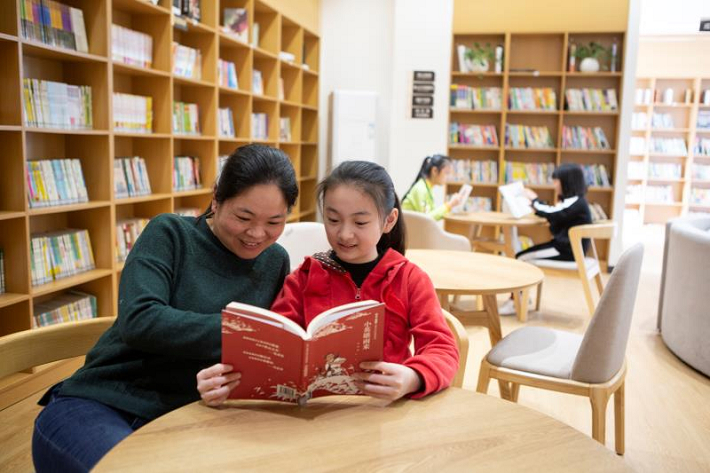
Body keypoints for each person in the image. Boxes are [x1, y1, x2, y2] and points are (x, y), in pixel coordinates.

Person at [32, 144, 299, 472]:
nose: (257, 234)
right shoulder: (171, 234)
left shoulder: (275, 261)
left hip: (194, 415)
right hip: (103, 402)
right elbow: (140, 320)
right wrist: (251, 332)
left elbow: (262, 358)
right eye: (244, 217)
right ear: (217, 199)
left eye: (274, 221)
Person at [198, 160, 459, 405]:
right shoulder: (304, 276)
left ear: (388, 220)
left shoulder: (409, 278)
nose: (344, 233)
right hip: (316, 412)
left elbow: (443, 348)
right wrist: (230, 380)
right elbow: (276, 346)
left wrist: (412, 377)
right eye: (333, 220)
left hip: (384, 411)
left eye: (360, 222)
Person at [499, 163, 593, 315]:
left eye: (557, 181)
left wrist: (534, 200)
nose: (554, 185)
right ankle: (521, 298)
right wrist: (537, 204)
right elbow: (554, 212)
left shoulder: (575, 203)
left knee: (520, 258)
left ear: (567, 182)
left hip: (566, 250)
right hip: (566, 248)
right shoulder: (576, 201)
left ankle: (516, 300)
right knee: (521, 256)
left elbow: (552, 213)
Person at [401, 154, 463, 221]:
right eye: (446, 173)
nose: (448, 177)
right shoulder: (421, 189)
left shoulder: (427, 188)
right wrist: (449, 205)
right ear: (435, 171)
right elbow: (427, 219)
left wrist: (450, 205)